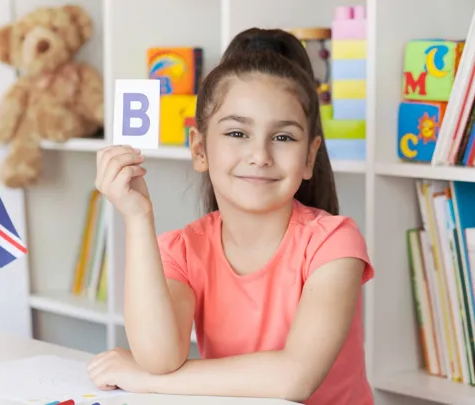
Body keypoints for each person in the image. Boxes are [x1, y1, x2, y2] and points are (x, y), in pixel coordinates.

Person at [88, 27, 374, 405]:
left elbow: (295, 379)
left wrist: (145, 379)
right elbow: (159, 358)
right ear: (199, 148)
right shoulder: (182, 249)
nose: (260, 155)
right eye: (237, 133)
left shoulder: (334, 242)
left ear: (309, 156)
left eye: (283, 137)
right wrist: (138, 218)